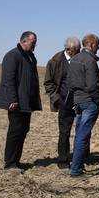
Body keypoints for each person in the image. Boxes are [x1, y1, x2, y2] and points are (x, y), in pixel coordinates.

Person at [0, 31, 41, 172]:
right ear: (24, 41)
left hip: (26, 102)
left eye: (35, 42)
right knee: (15, 131)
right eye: (33, 42)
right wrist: (13, 99)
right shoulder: (12, 56)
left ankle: (16, 161)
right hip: (16, 103)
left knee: (23, 130)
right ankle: (10, 164)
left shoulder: (30, 56)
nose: (35, 45)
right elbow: (8, 80)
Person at [67, 33, 99, 177]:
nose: (98, 48)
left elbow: (69, 82)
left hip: (78, 100)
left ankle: (77, 164)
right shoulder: (90, 61)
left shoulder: (74, 59)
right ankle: (75, 169)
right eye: (97, 45)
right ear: (92, 44)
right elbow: (92, 85)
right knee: (83, 135)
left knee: (79, 134)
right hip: (89, 101)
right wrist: (98, 100)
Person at [43, 36, 81, 168]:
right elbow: (48, 83)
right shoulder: (55, 61)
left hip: (79, 100)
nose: (79, 52)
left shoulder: (80, 60)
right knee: (64, 132)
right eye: (77, 50)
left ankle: (82, 157)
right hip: (64, 102)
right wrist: (56, 99)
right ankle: (63, 161)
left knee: (82, 130)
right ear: (69, 50)